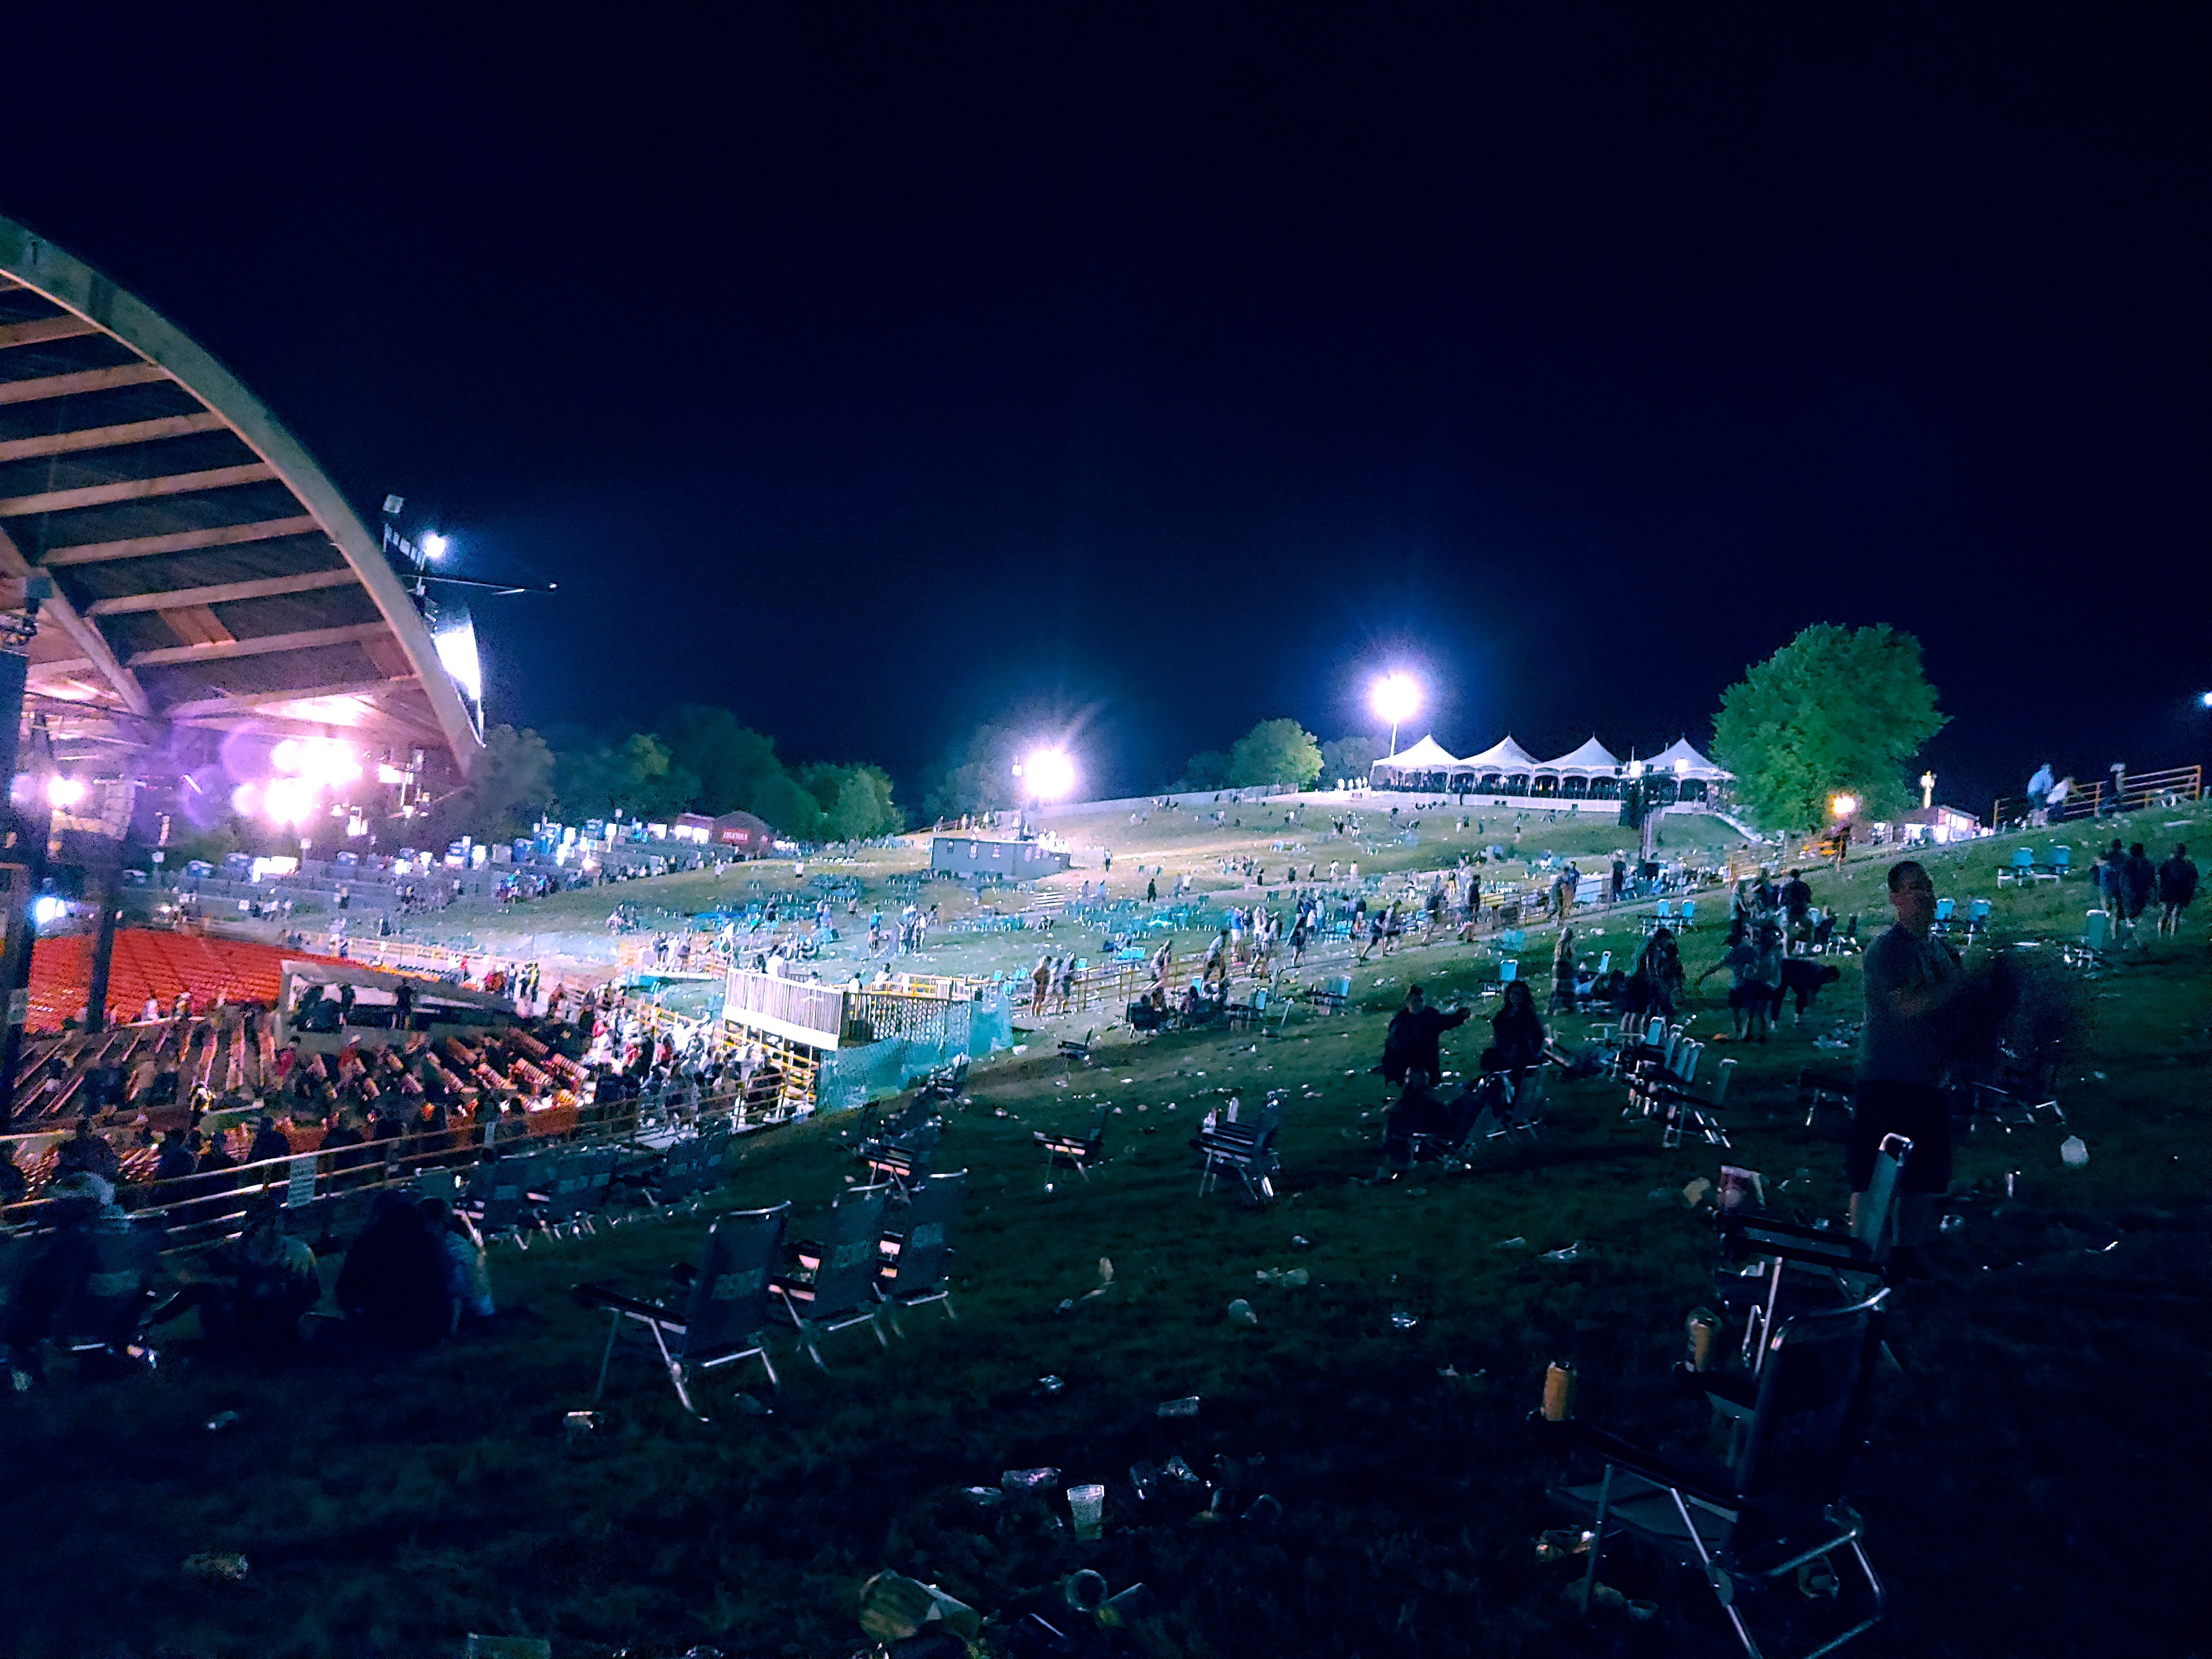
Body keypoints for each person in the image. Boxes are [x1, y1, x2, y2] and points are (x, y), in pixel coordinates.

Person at [1850, 860, 1963, 1276]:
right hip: (1887, 1076)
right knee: (1872, 1171)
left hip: (1931, 1079)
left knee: (1922, 1177)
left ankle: (1906, 1255)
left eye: (1927, 886)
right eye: (1913, 888)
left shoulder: (1942, 951)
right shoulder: (1887, 950)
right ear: (1895, 898)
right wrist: (1962, 984)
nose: (1924, 895)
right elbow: (1909, 1006)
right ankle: (1862, 1256)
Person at [149, 1194, 319, 1348]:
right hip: (247, 1302)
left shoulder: (297, 1254)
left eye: (256, 1228)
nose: (249, 1233)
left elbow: (308, 1296)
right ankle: (153, 1321)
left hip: (274, 1313)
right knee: (201, 1290)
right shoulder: (245, 1246)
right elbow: (223, 1267)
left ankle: (215, 1344)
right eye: (249, 1228)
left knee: (237, 1310)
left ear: (274, 1226)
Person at [331, 1189, 454, 1349]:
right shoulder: (431, 1243)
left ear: (378, 1214)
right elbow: (447, 1280)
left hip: (386, 1330)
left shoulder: (368, 1244)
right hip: (433, 1329)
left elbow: (346, 1292)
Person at [1379, 984, 1471, 1087]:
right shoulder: (1400, 1022)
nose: (1417, 1005)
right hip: (1408, 1063)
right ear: (1408, 1003)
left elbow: (1447, 1022)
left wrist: (1461, 1016)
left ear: (1424, 1001)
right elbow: (1391, 1048)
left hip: (1429, 1062)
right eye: (1414, 1002)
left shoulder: (1431, 1016)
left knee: (1432, 1084)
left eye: (1420, 1001)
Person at [1480, 980, 1547, 1080]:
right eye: (1514, 993)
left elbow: (1538, 1037)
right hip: (1503, 1050)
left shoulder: (1528, 1016)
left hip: (1519, 1053)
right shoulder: (1503, 1014)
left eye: (1520, 994)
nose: (1516, 997)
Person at [2158, 844, 2199, 937]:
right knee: (2167, 915)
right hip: (2171, 894)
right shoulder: (2169, 865)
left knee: (2173, 916)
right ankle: (2162, 936)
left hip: (2178, 894)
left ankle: (2169, 937)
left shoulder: (2185, 866)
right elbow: (2161, 879)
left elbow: (2193, 881)